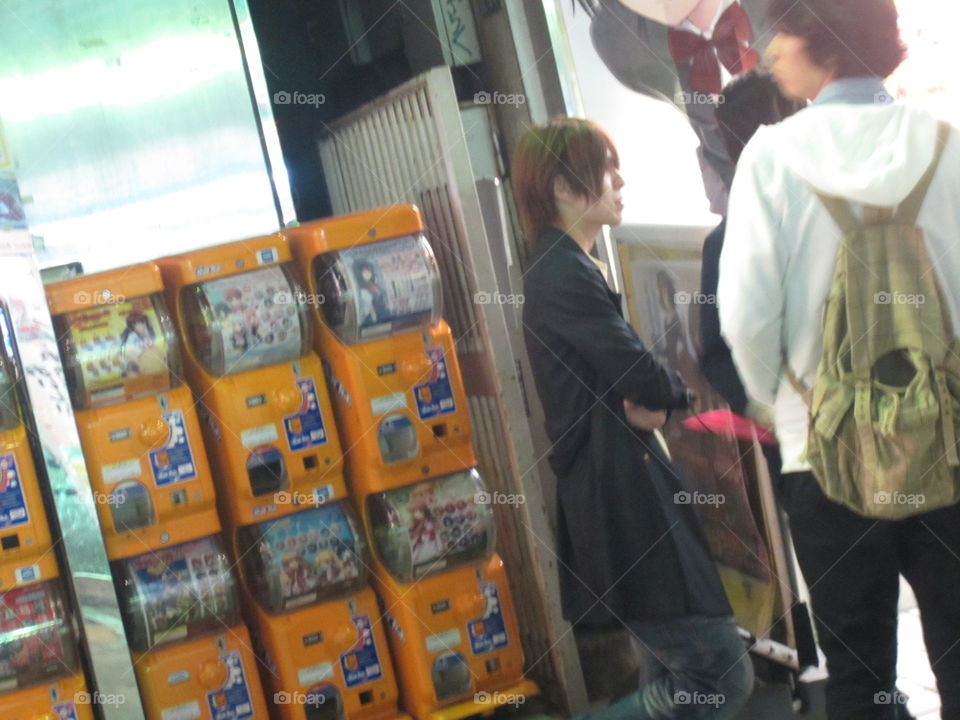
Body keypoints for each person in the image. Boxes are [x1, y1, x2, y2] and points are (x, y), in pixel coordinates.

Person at [718, 2, 960, 718]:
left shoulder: (771, 156)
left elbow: (746, 319)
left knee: (858, 675)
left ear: (819, 38)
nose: (767, 52)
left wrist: (784, 402)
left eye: (779, 32)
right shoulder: (947, 141)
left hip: (825, 459)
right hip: (947, 445)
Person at [514, 117, 753, 720]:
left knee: (673, 668)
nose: (620, 180)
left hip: (625, 490)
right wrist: (673, 396)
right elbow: (638, 372)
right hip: (624, 498)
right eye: (605, 168)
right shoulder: (562, 274)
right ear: (564, 189)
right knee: (718, 674)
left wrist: (657, 399)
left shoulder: (569, 266)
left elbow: (632, 377)